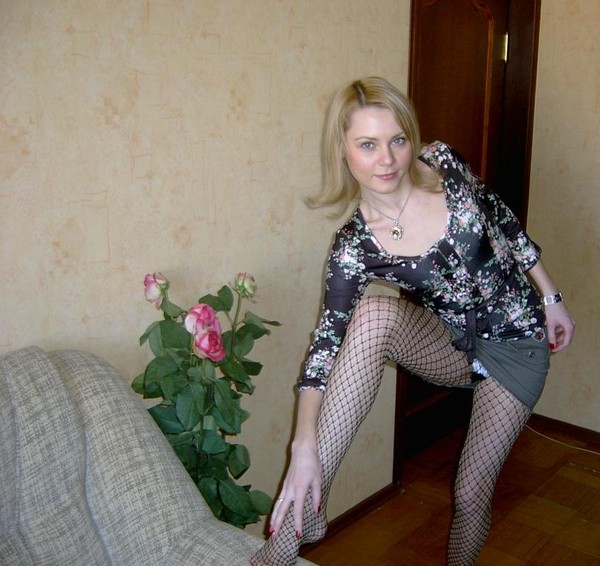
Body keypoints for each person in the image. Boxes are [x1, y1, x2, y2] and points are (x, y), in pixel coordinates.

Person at [251, 76, 575, 566]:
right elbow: (325, 347)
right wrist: (302, 447)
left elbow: (503, 220)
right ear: (342, 150)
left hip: (517, 344)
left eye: (397, 140)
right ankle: (296, 529)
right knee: (373, 314)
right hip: (450, 343)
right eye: (367, 144)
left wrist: (550, 296)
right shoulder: (355, 247)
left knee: (470, 493)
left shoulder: (443, 163)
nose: (387, 159)